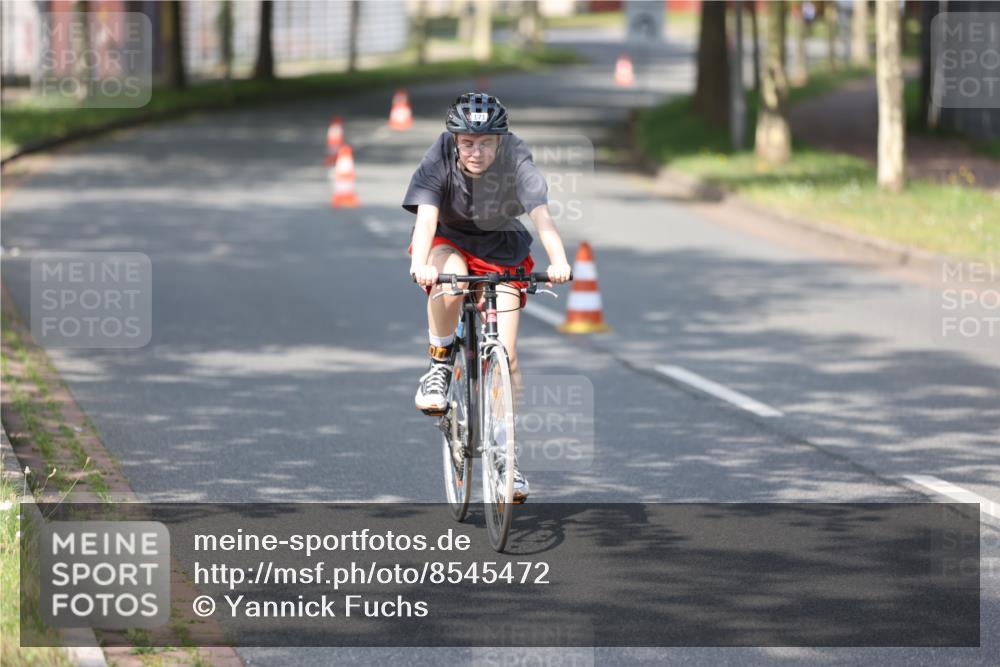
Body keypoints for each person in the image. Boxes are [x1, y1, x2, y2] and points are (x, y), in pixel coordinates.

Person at [404, 92, 572, 502]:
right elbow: (426, 219)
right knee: (452, 279)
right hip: (450, 243)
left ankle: (506, 459)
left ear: (501, 140)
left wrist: (559, 261)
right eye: (467, 142)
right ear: (455, 140)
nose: (476, 151)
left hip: (502, 248)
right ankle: (440, 363)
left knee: (508, 354)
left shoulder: (517, 159)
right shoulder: (439, 156)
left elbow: (541, 216)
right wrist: (423, 261)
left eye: (486, 142)